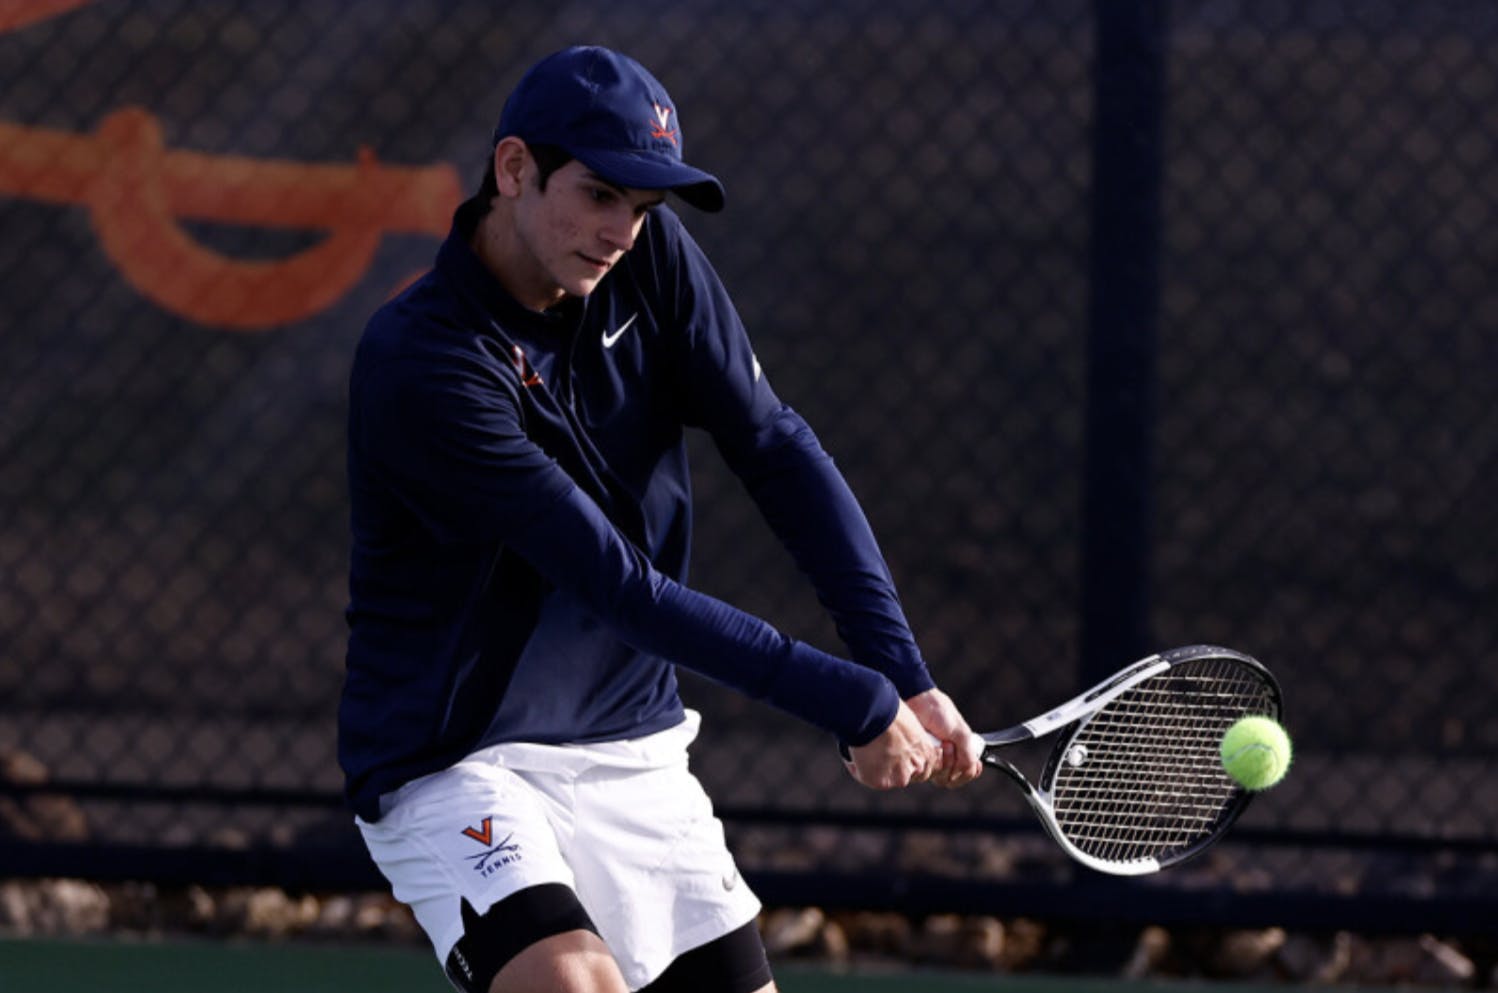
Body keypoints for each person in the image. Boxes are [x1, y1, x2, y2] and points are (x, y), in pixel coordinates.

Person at [338, 45, 983, 993]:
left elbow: (774, 446)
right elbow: (620, 589)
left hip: (631, 744)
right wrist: (850, 701)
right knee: (576, 985)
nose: (621, 232)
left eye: (642, 207)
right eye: (599, 194)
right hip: (457, 761)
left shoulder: (651, 264)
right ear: (513, 168)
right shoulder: (426, 361)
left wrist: (904, 674)